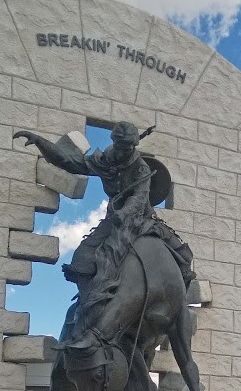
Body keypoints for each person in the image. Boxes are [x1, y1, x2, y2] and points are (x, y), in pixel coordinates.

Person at [14, 122, 196, 298]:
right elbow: (69, 162)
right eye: (120, 146)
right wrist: (40, 142)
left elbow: (139, 198)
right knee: (81, 260)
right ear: (114, 143)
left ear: (133, 147)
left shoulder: (141, 168)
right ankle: (89, 304)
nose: (123, 151)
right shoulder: (105, 161)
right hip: (114, 219)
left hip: (140, 219)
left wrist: (123, 213)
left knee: (182, 257)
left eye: (127, 148)